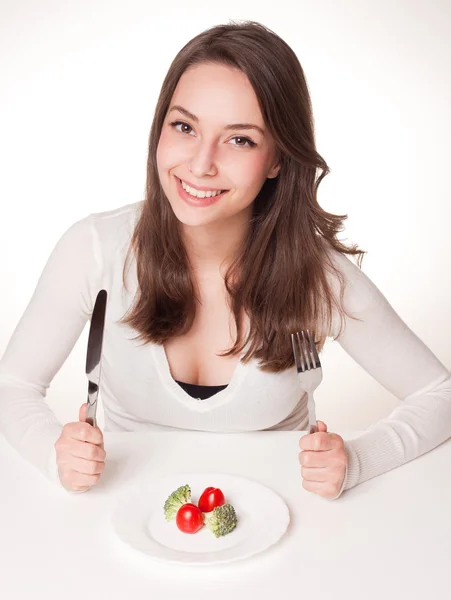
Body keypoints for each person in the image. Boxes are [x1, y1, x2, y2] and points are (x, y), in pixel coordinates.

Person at [1, 21, 450, 499]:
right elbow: (12, 386)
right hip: (127, 518)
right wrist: (56, 454)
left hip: (285, 523)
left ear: (278, 158)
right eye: (185, 127)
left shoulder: (318, 278)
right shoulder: (94, 249)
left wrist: (357, 460)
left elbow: (439, 395)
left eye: (240, 139)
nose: (200, 164)